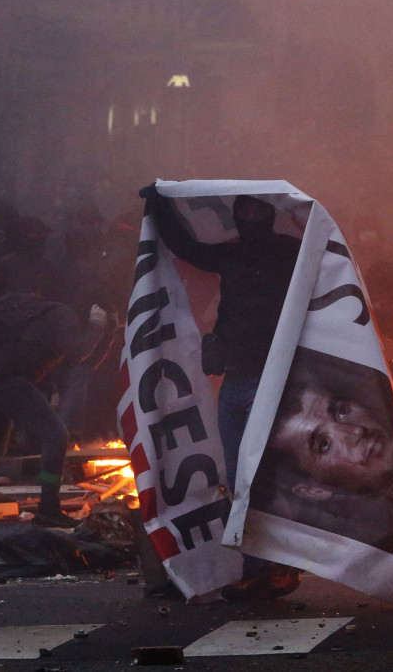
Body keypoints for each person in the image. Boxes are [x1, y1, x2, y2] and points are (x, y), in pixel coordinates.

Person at [141, 187, 302, 598]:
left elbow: (327, 254)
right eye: (243, 209)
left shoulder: (291, 252)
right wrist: (160, 205)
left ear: (267, 214)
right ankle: (256, 566)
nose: (250, 216)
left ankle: (280, 568)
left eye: (257, 208)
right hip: (236, 379)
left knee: (267, 475)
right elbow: (186, 247)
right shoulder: (232, 255)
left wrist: (309, 214)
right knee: (236, 475)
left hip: (275, 378)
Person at [0, 292, 109, 527]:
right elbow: (79, 352)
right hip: (11, 382)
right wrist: (97, 325)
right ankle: (49, 509)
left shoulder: (39, 311)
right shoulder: (64, 315)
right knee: (56, 436)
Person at [249, 346, 393, 551]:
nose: (355, 432)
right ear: (313, 489)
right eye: (324, 444)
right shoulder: (388, 546)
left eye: (341, 411)